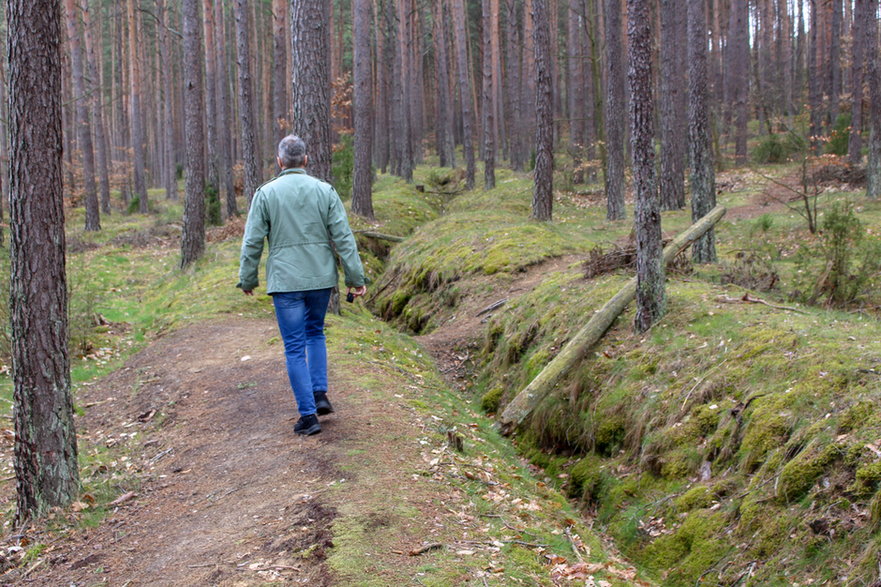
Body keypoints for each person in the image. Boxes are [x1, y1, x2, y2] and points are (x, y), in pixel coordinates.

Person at [237, 135, 368, 436]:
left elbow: (253, 240)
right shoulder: (325, 191)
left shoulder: (266, 193)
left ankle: (308, 415)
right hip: (320, 278)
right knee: (315, 332)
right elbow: (344, 237)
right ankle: (319, 393)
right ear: (306, 160)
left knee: (295, 346)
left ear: (280, 161)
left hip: (285, 282)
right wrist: (355, 278)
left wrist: (247, 278)